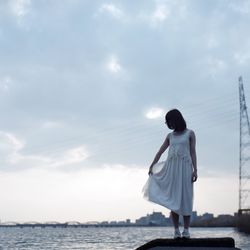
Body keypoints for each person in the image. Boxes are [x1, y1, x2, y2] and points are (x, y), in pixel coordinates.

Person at [142, 109, 197, 239]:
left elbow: (193, 152)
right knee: (174, 200)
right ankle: (176, 230)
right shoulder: (170, 136)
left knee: (186, 199)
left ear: (176, 119)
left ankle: (187, 230)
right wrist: (152, 165)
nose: (169, 124)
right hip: (172, 169)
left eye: (170, 121)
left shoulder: (190, 133)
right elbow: (160, 152)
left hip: (185, 169)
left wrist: (196, 170)